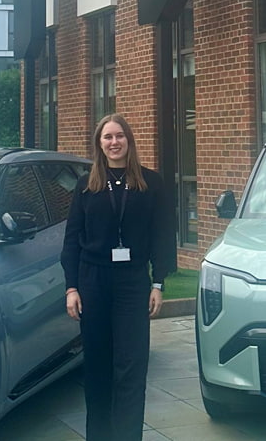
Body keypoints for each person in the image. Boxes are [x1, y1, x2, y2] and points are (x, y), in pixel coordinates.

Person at [61, 113, 177, 441]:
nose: (114, 142)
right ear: (99, 144)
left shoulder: (151, 183)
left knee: (131, 365)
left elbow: (162, 234)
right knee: (98, 365)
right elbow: (72, 238)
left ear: (129, 140)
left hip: (133, 282)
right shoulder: (87, 185)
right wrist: (72, 286)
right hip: (93, 280)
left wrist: (158, 282)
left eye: (119, 136)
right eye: (107, 137)